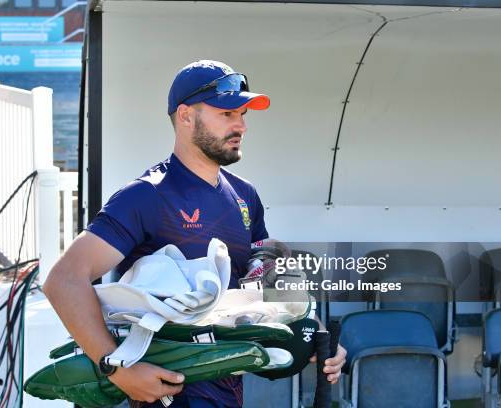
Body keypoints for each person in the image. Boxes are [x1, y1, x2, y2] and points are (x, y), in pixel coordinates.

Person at [43, 60, 346, 408]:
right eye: (227, 114)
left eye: (243, 114)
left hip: (228, 391)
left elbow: (260, 281)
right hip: (162, 395)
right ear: (186, 116)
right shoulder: (146, 195)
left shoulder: (245, 195)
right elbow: (64, 280)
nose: (241, 126)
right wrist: (117, 367)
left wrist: (316, 335)